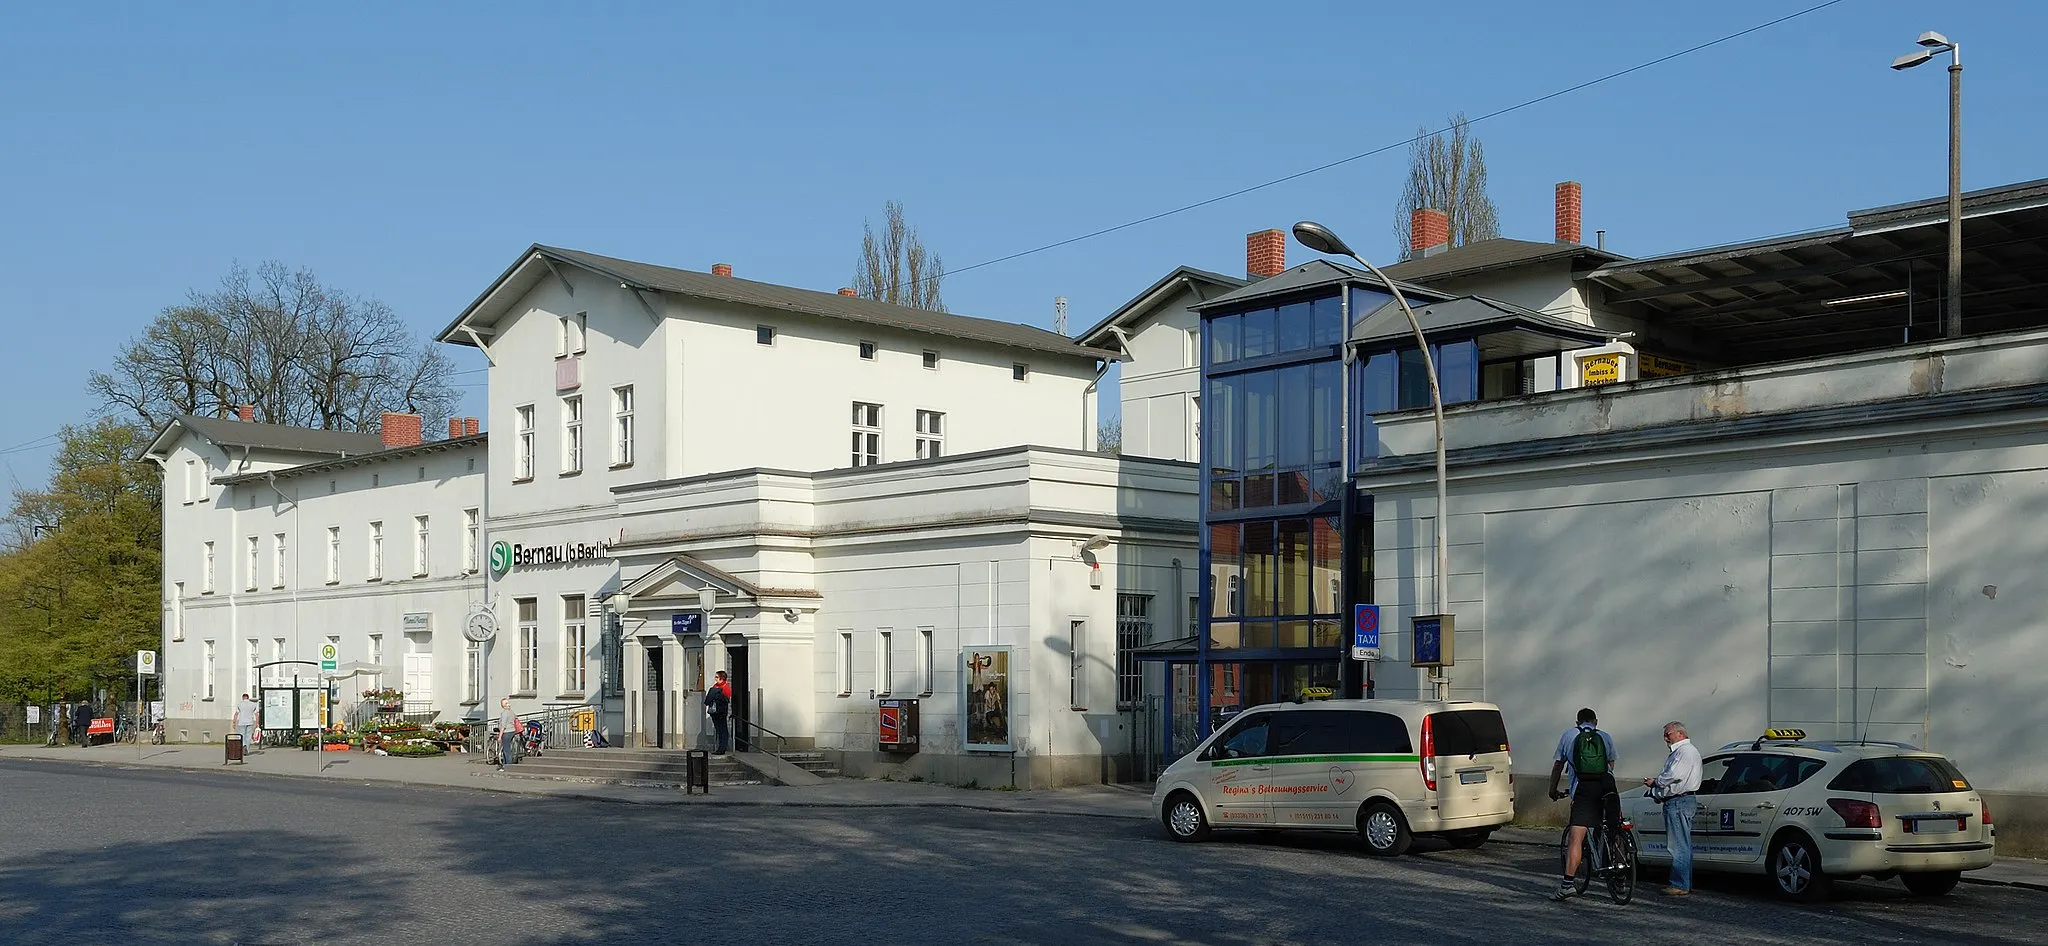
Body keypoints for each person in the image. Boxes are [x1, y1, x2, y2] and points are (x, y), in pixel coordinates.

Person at [1547, 707, 1618, 901]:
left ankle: (1567, 885)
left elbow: (1558, 765)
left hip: (1583, 788)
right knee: (1613, 825)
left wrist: (1552, 789)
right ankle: (1619, 868)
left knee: (1576, 837)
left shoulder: (1569, 735)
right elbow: (1610, 763)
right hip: (1607, 785)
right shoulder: (1605, 736)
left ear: (1577, 722)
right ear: (1596, 721)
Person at [1644, 720, 1704, 897]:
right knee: (1682, 844)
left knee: (1678, 845)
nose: (1665, 738)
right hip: (1679, 801)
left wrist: (1656, 782)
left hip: (1679, 802)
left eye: (1668, 734)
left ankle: (1680, 884)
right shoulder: (1683, 752)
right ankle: (1684, 881)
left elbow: (1674, 775)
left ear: (1680, 734)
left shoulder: (1684, 752)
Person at [705, 670, 732, 755]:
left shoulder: (726, 687)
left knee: (723, 730)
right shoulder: (715, 686)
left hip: (721, 712)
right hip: (714, 712)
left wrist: (717, 696)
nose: (715, 678)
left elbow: (726, 699)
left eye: (717, 677)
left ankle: (722, 748)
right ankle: (719, 747)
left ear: (721, 678)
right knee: (718, 730)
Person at [496, 697, 519, 771]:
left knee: (506, 749)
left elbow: (503, 726)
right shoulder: (511, 711)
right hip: (512, 731)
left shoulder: (504, 713)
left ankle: (509, 765)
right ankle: (505, 764)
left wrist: (500, 736)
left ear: (502, 705)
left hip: (507, 732)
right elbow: (515, 718)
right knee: (508, 748)